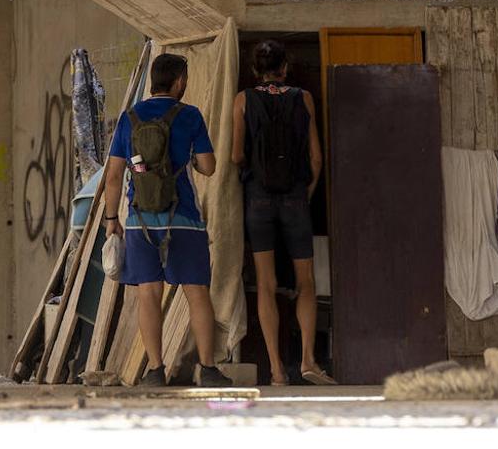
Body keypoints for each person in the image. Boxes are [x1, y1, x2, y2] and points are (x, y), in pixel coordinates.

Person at [103, 53, 232, 388]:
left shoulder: (130, 118)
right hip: (184, 219)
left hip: (139, 220)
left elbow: (114, 175)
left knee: (148, 293)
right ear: (178, 82)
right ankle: (208, 369)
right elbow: (208, 166)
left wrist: (111, 218)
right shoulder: (189, 116)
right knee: (196, 292)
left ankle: (156, 370)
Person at [230, 40, 335, 386]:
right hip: (294, 200)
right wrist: (304, 192)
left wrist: (257, 179)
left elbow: (235, 156)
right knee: (306, 281)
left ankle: (276, 370)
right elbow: (317, 158)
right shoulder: (303, 98)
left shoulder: (243, 100)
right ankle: (307, 360)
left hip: (258, 200)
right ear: (285, 67)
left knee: (266, 283)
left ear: (255, 70)